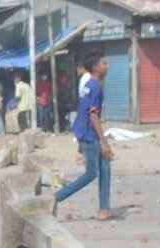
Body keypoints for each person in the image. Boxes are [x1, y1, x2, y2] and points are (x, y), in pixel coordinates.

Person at [54, 52, 112, 221]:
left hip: (84, 132)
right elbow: (93, 115)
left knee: (105, 167)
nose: (107, 66)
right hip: (90, 135)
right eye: (104, 63)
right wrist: (104, 141)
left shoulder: (89, 84)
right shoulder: (94, 87)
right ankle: (58, 197)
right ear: (95, 67)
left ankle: (104, 209)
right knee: (91, 173)